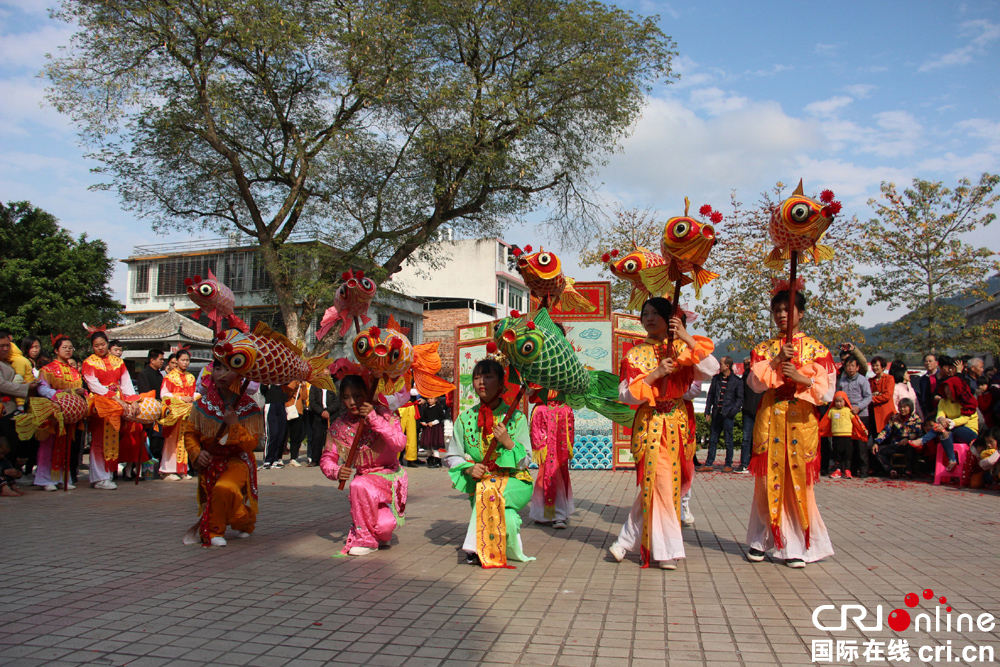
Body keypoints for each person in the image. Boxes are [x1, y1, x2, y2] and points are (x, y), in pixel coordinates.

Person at [608, 298, 717, 570]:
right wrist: (655, 374)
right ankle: (666, 550)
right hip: (650, 423)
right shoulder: (634, 355)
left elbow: (711, 369)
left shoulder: (681, 348)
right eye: (645, 313)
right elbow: (626, 395)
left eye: (657, 313)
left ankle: (625, 540)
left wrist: (685, 338)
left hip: (678, 424)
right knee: (661, 482)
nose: (650, 317)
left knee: (661, 484)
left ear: (671, 319)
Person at [745, 288, 836, 568]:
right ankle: (760, 539)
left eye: (788, 309)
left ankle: (796, 544)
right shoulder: (763, 349)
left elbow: (827, 392)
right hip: (771, 418)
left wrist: (800, 378)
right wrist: (774, 361)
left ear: (801, 312)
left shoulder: (818, 350)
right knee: (765, 483)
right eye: (777, 311)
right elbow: (755, 384)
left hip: (800, 422)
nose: (782, 315)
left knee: (798, 483)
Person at [445, 358, 534, 568]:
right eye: (477, 378)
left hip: (515, 482)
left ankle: (474, 548)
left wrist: (508, 442)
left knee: (487, 488)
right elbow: (452, 456)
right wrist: (469, 468)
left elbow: (526, 461)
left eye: (488, 377)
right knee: (508, 520)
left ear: (501, 383)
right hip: (481, 482)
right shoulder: (465, 419)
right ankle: (505, 545)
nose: (481, 382)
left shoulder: (517, 419)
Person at [320, 375, 408, 555]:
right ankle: (371, 536)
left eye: (358, 396)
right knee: (361, 487)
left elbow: (399, 443)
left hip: (387, 476)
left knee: (359, 487)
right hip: (364, 481)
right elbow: (328, 457)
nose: (352, 402)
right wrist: (336, 471)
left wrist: (373, 419)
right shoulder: (340, 425)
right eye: (346, 397)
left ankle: (366, 538)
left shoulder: (384, 414)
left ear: (367, 394)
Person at [182, 362, 261, 547]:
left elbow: (252, 443)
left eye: (228, 369)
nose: (222, 374)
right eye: (218, 369)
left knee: (224, 488)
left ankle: (213, 530)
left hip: (238, 460)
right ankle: (247, 521)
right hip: (211, 459)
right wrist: (197, 453)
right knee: (226, 500)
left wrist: (234, 424)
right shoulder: (201, 404)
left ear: (240, 375)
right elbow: (190, 434)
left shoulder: (250, 406)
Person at [81, 329, 144, 490]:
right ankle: (98, 477)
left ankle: (108, 474)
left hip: (117, 404)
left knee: (113, 439)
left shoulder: (118, 362)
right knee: (98, 440)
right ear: (92, 347)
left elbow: (126, 382)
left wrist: (132, 400)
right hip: (101, 402)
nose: (100, 348)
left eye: (103, 344)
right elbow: (93, 384)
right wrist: (114, 397)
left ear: (107, 344)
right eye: (96, 346)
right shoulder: (89, 363)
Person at [34, 335, 88, 490]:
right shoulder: (47, 369)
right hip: (53, 410)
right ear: (56, 350)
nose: (68, 350)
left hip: (68, 414)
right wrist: (60, 395)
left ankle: (62, 478)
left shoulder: (74, 371)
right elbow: (42, 388)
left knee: (65, 445)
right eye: (64, 347)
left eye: (70, 347)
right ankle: (45, 479)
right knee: (48, 444)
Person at [528, 390, 575, 528]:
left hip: (561, 415)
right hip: (543, 414)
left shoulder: (566, 408)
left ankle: (558, 514)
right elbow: (530, 391)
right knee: (546, 469)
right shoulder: (538, 375)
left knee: (558, 469)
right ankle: (542, 513)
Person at [701, 356, 743, 473]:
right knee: (713, 439)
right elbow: (710, 395)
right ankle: (709, 463)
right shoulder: (716, 379)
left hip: (728, 415)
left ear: (727, 366)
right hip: (717, 413)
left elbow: (739, 399)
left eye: (721, 364)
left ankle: (728, 463)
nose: (720, 366)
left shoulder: (736, 381)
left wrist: (732, 412)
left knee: (728, 440)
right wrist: (707, 411)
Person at [159, 349, 196, 481]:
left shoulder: (191, 377)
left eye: (187, 360)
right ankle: (168, 470)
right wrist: (181, 397)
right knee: (171, 441)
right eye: (183, 360)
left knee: (184, 440)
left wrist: (194, 398)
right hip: (174, 414)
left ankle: (182, 469)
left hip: (186, 414)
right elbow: (164, 394)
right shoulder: (169, 377)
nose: (185, 363)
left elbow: (193, 393)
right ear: (177, 361)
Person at [836, 355, 872, 478]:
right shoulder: (842, 381)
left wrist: (859, 407)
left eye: (853, 366)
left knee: (861, 445)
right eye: (848, 366)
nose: (850, 368)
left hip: (861, 415)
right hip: (847, 416)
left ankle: (864, 471)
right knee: (849, 445)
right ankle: (851, 470)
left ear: (857, 367)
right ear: (845, 367)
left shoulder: (863, 380)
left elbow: (868, 397)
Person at [819, 391, 868, 480]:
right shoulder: (832, 411)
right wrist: (818, 430)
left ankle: (847, 470)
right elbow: (825, 422)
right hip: (836, 436)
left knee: (847, 454)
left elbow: (856, 422)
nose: (838, 403)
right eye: (837, 401)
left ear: (845, 401)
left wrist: (863, 429)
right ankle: (838, 470)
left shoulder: (849, 410)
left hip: (847, 436)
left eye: (841, 401)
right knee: (837, 454)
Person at [871, 398, 923, 478]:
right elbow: (886, 431)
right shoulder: (894, 418)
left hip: (910, 444)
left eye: (905, 407)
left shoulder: (916, 419)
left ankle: (908, 471)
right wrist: (876, 442)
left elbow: (917, 433)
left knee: (911, 447)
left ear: (910, 407)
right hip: (897, 444)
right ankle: (891, 470)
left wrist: (907, 439)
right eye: (900, 407)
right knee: (878, 450)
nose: (902, 409)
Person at [135, 350, 166, 461]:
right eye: (160, 359)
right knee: (148, 439)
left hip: (159, 411)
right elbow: (145, 393)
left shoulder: (160, 375)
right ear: (152, 360)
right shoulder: (144, 374)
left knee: (159, 440)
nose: (163, 361)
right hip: (149, 411)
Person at [736, 357, 762, 474]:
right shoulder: (744, 378)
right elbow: (741, 394)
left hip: (759, 411)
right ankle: (744, 463)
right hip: (747, 411)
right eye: (745, 364)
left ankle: (756, 462)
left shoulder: (761, 376)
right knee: (746, 438)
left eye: (748, 364)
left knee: (759, 439)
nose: (746, 366)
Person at [262, 382, 294, 469]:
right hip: (271, 405)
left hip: (281, 406)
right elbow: (263, 390)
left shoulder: (283, 383)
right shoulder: (268, 381)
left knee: (281, 434)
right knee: (273, 434)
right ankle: (268, 459)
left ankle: (277, 458)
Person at [307, 382, 337, 466]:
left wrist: (328, 411)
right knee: (317, 437)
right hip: (318, 415)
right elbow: (312, 401)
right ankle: (315, 459)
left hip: (332, 415)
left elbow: (337, 401)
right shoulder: (315, 386)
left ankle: (331, 459)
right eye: (323, 375)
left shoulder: (334, 386)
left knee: (332, 438)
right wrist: (322, 412)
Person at [868, 356, 896, 437]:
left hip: (886, 414)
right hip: (873, 415)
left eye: (877, 365)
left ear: (883, 367)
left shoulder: (889, 378)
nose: (874, 368)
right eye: (873, 366)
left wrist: (872, 398)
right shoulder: (870, 380)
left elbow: (887, 395)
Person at [419, 395, 447, 468]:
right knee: (428, 446)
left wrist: (434, 422)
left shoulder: (438, 407)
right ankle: (430, 460)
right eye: (428, 398)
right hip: (428, 429)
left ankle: (437, 461)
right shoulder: (425, 408)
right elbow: (423, 418)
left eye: (431, 398)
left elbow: (442, 417)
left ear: (436, 399)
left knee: (434, 446)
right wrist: (423, 422)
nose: (429, 400)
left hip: (436, 428)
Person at [397, 389, 421, 467]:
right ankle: (396, 459)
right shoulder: (399, 378)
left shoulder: (414, 377)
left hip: (411, 406)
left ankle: (411, 459)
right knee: (398, 434)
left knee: (412, 435)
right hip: (400, 407)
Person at [914, 353, 940, 418]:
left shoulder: (940, 376)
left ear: (936, 363)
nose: (928, 363)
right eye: (926, 361)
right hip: (926, 411)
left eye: (930, 361)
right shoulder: (923, 379)